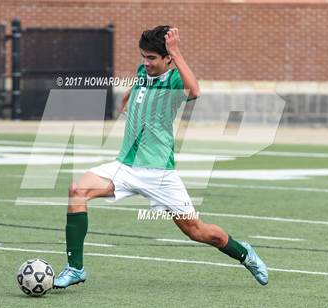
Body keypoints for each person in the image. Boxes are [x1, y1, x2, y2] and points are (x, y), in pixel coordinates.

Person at [53, 25, 268, 288]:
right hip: (125, 166)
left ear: (168, 58)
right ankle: (75, 269)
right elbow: (136, 87)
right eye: (144, 56)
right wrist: (126, 101)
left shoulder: (176, 80)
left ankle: (245, 254)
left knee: (198, 232)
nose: (146, 62)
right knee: (77, 190)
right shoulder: (143, 71)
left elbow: (195, 91)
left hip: (159, 174)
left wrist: (176, 51)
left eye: (152, 57)